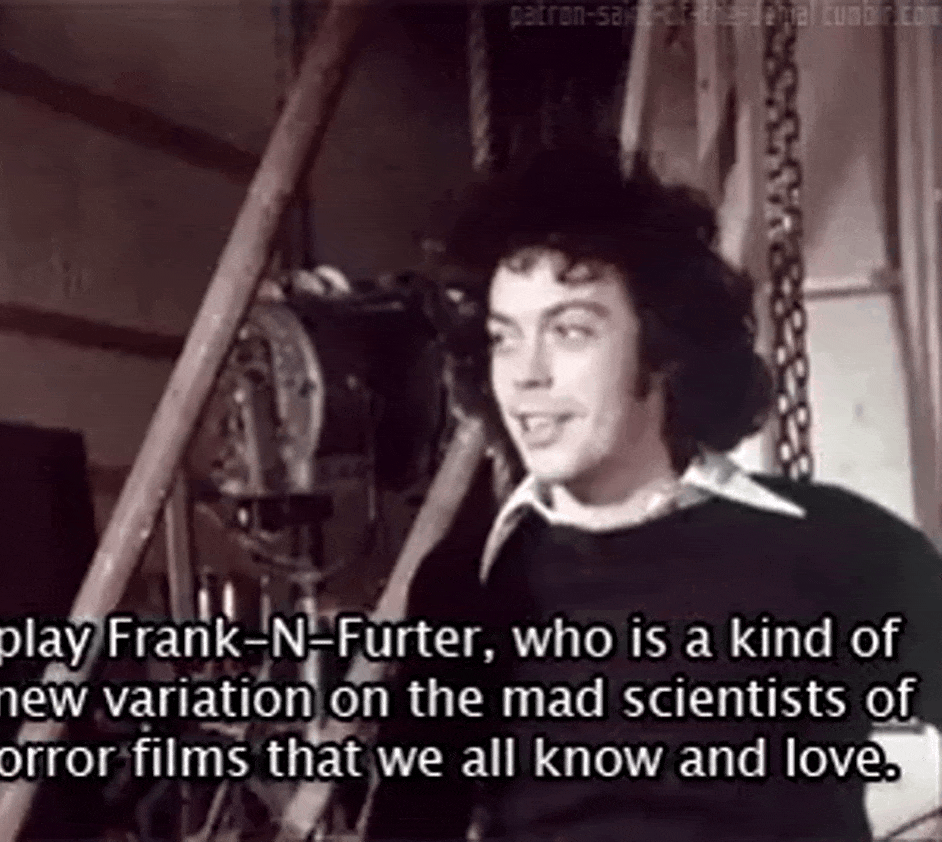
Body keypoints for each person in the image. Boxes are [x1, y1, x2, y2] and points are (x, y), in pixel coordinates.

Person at [366, 146, 942, 842]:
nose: (526, 374)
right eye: (504, 338)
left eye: (570, 331)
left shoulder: (841, 549)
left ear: (664, 347)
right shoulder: (468, 581)